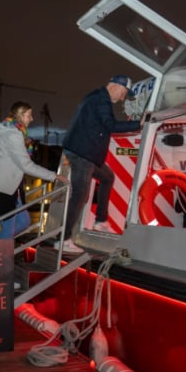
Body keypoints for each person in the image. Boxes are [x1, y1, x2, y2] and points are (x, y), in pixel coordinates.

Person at [59, 75, 144, 253]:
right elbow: (110, 126)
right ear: (116, 86)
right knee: (80, 196)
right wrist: (139, 124)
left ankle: (100, 221)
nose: (122, 98)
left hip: (84, 152)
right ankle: (63, 239)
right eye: (123, 93)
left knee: (107, 177)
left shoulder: (97, 97)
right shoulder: (101, 100)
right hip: (83, 154)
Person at [0, 101, 67, 239]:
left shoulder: (8, 130)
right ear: (20, 116)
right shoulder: (13, 135)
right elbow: (26, 165)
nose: (32, 119)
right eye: (29, 115)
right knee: (8, 230)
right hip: (2, 188)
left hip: (10, 186)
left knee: (23, 221)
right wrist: (53, 176)